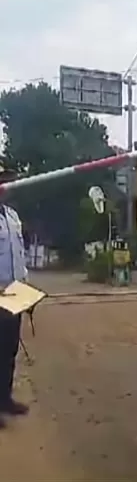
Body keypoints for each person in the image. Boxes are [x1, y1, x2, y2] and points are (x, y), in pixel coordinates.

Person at [0, 166, 30, 428]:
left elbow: (18, 252)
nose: (5, 187)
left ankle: (4, 399)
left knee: (9, 350)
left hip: (14, 292)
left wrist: (25, 286)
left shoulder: (11, 216)